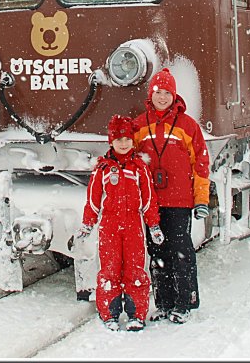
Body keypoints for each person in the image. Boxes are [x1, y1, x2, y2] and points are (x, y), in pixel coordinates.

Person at [131, 68, 210, 324]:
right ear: (150, 95)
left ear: (174, 96)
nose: (162, 97)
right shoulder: (140, 125)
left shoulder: (187, 126)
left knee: (181, 250)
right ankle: (163, 304)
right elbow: (128, 156)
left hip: (180, 201)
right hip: (152, 203)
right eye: (157, 92)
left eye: (167, 93)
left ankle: (184, 303)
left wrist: (201, 200)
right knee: (157, 252)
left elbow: (200, 163)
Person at [78, 114, 165, 332]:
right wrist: (88, 223)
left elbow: (148, 199)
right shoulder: (103, 169)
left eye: (127, 139)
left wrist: (153, 225)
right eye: (119, 140)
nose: (123, 144)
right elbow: (93, 199)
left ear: (132, 141)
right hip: (109, 226)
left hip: (134, 225)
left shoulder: (139, 168)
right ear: (111, 142)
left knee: (135, 269)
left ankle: (137, 314)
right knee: (109, 269)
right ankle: (110, 313)